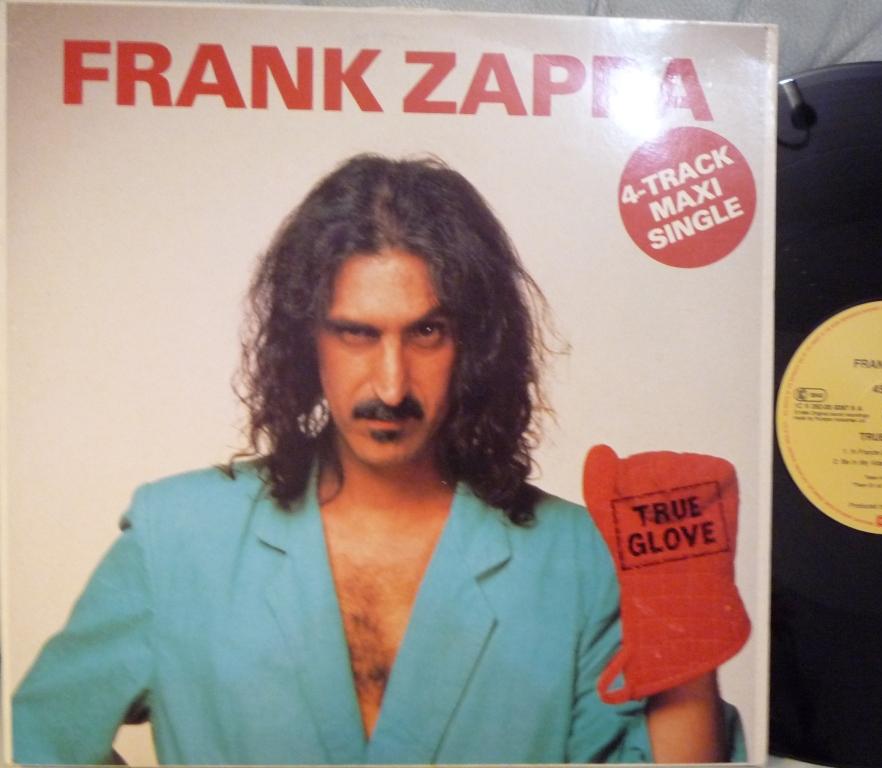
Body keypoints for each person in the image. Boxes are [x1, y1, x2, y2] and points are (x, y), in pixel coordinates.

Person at [13, 155, 735, 764]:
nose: (391, 386)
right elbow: (44, 733)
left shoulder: (575, 559)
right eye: (357, 334)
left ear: (477, 343)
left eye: (426, 333)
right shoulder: (177, 534)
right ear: (306, 340)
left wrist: (688, 636)